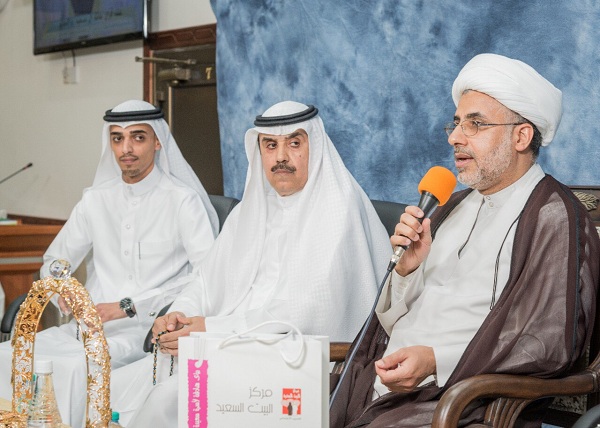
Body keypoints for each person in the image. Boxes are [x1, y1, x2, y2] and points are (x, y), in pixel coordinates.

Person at [330, 53, 600, 427]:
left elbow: (546, 343)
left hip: (455, 405)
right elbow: (391, 326)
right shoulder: (450, 205)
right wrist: (406, 273)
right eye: (456, 123)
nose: (455, 138)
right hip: (381, 389)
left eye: (475, 124)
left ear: (521, 136)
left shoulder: (553, 215)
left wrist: (435, 361)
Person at [110, 100, 392, 426]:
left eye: (294, 144)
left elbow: (304, 313)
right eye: (270, 145)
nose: (281, 157)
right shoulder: (251, 209)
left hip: (293, 365)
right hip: (224, 347)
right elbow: (205, 282)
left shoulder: (338, 209)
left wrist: (208, 328)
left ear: (314, 147)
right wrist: (179, 316)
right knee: (111, 387)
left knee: (166, 399)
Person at [0, 100, 219, 427]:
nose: (126, 148)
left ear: (158, 141)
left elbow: (206, 277)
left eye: (138, 137)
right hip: (83, 329)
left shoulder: (182, 200)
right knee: (8, 355)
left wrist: (128, 307)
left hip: (142, 332)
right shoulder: (95, 199)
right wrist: (62, 289)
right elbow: (56, 261)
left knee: (73, 367)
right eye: (117, 138)